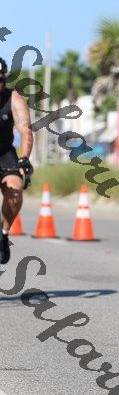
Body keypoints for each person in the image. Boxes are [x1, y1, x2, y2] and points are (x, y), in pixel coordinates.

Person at [0, 58, 33, 264]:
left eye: (0, 80)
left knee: (15, 190)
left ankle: (3, 234)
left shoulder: (13, 98)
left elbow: (25, 131)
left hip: (4, 153)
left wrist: (24, 158)